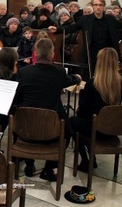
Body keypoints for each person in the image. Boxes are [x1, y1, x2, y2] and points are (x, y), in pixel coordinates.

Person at [13, 38, 82, 181]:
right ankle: (49, 168)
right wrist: (77, 77)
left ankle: (29, 164)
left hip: (26, 127)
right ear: (52, 55)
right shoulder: (59, 72)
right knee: (68, 131)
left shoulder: (24, 72)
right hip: (52, 129)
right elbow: (70, 80)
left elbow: (17, 99)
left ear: (35, 54)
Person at [48, 0, 122, 77]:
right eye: (95, 5)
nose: (98, 7)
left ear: (104, 7)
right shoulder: (86, 19)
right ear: (92, 6)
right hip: (91, 53)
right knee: (91, 78)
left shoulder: (110, 19)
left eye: (100, 5)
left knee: (106, 77)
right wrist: (57, 29)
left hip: (107, 53)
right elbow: (72, 27)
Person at [70, 48, 122, 172]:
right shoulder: (120, 84)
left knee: (72, 121)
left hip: (96, 128)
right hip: (113, 127)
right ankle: (90, 158)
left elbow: (83, 110)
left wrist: (83, 95)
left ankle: (86, 159)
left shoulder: (93, 83)